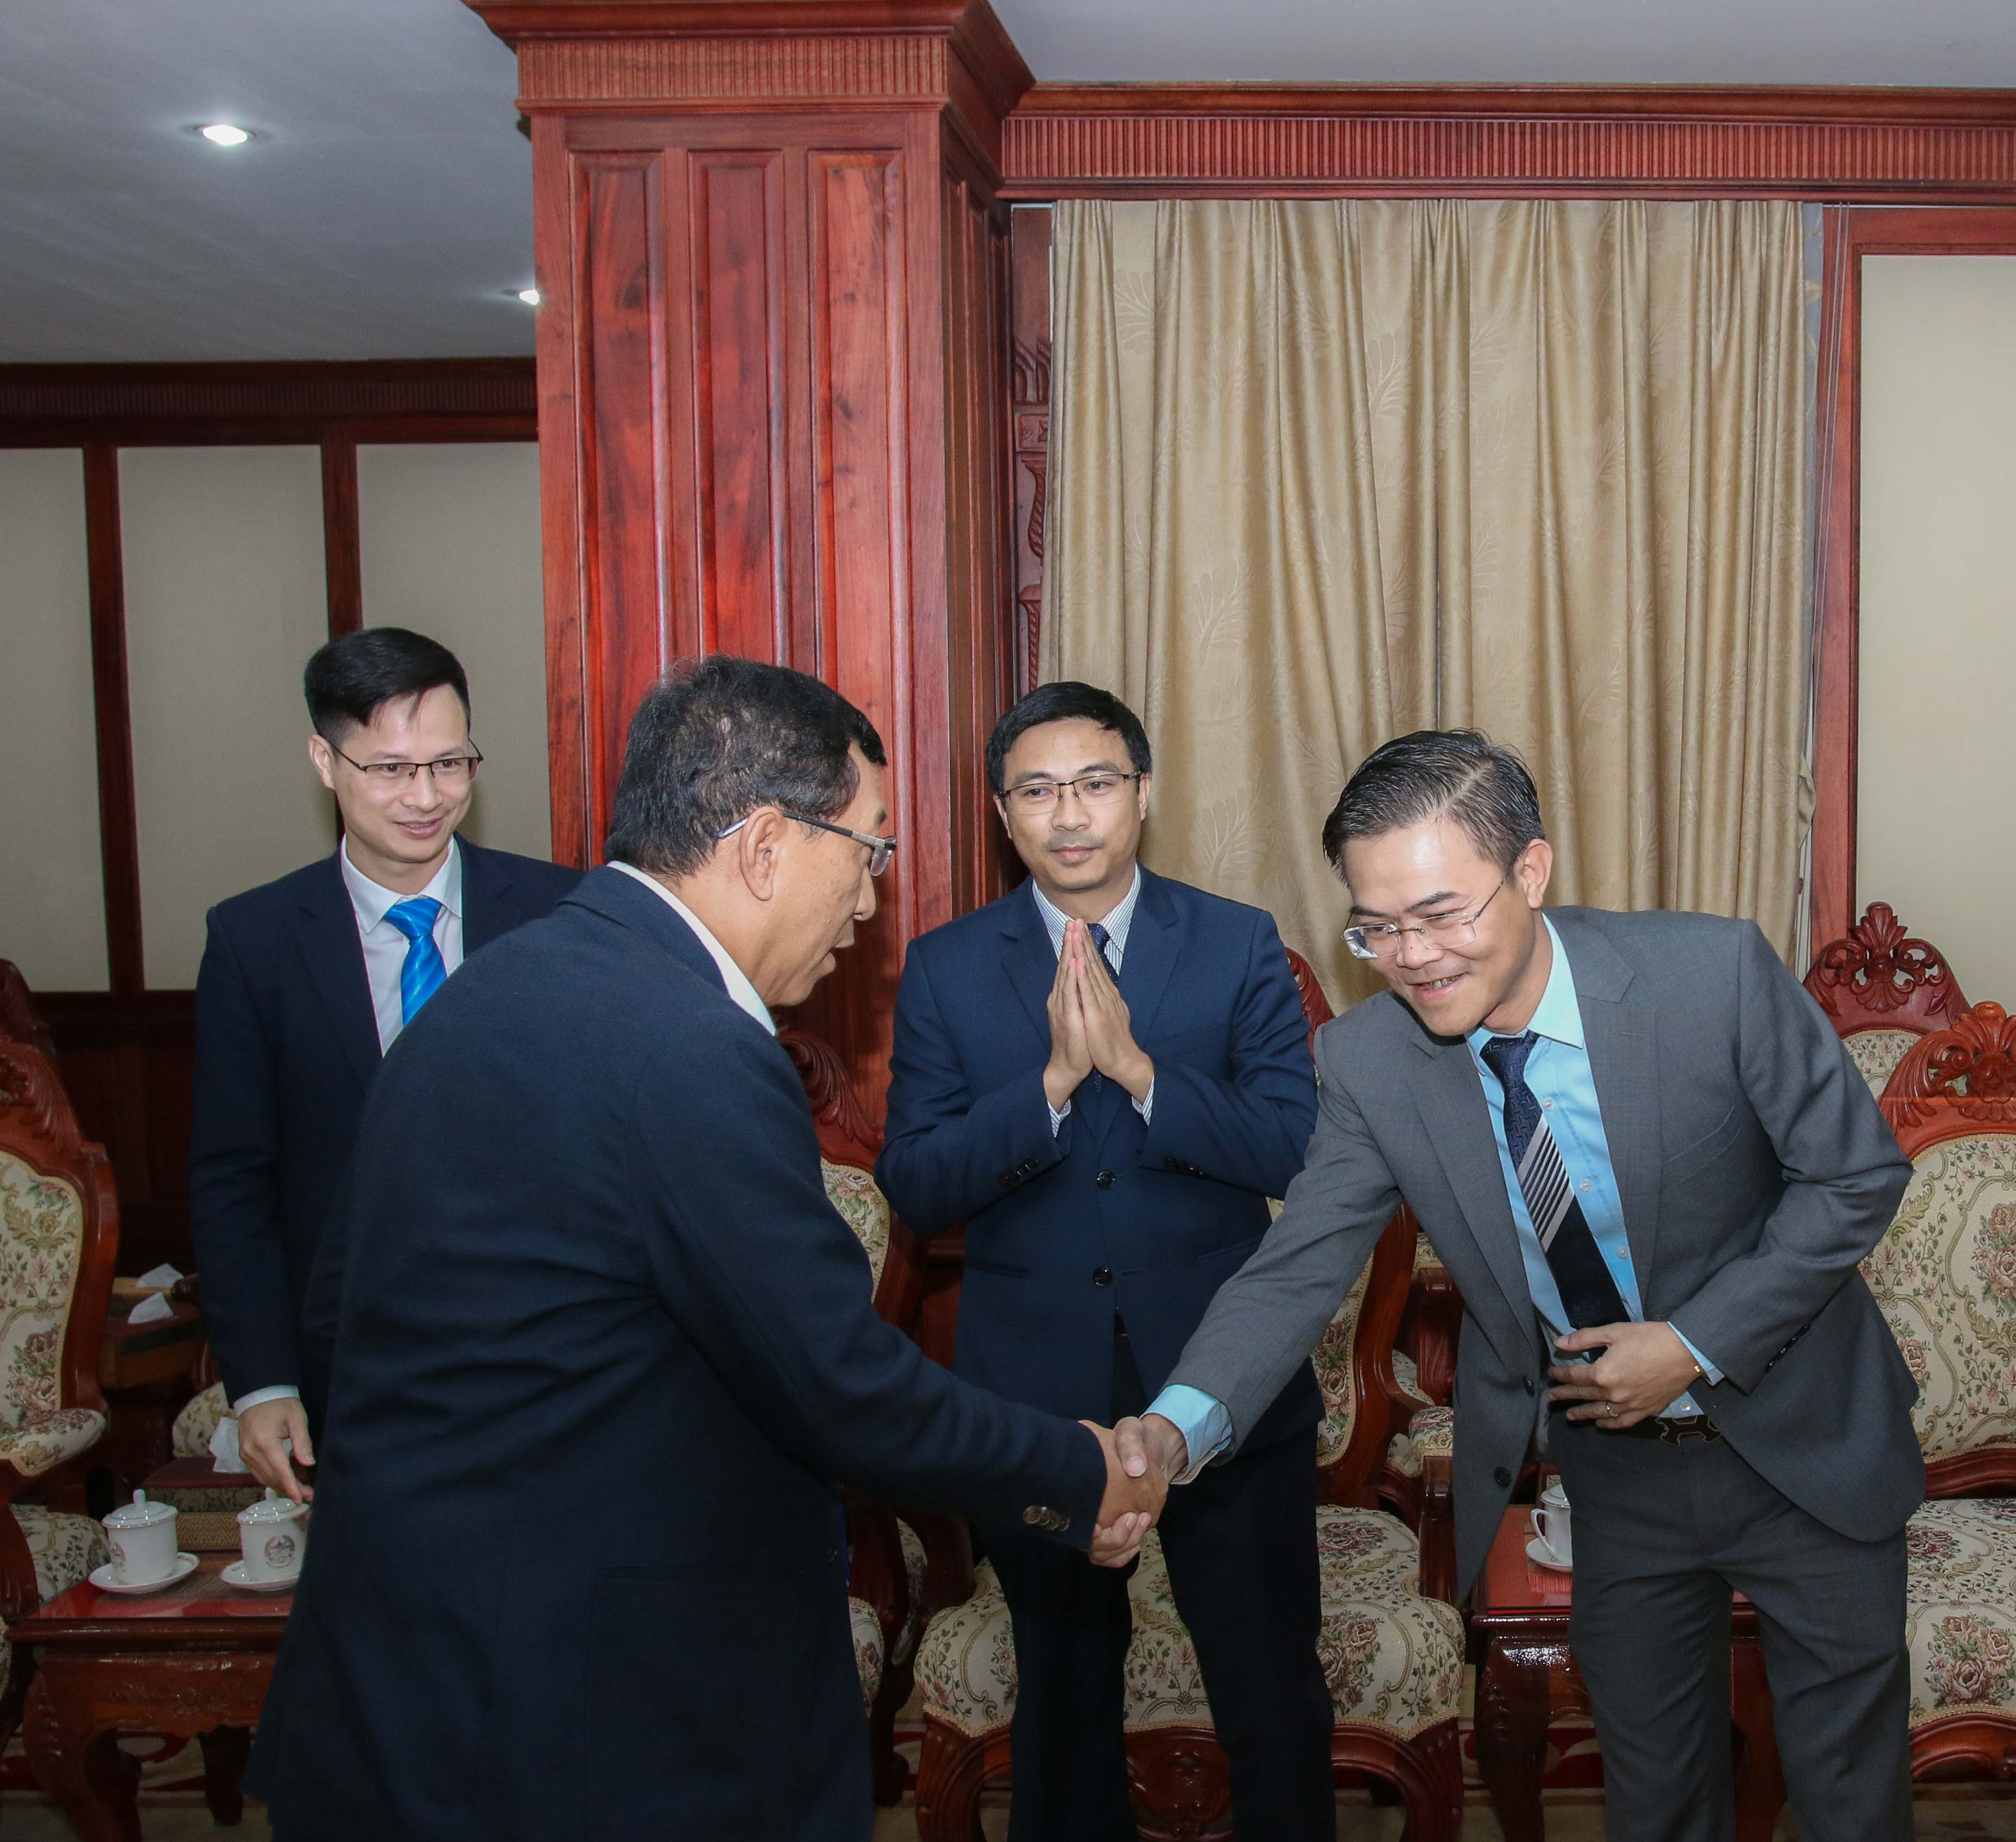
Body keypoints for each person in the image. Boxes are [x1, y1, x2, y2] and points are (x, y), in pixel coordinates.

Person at [248, 657, 1165, 1842]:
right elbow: (839, 1383)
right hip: (587, 1717)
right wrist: (1081, 1471)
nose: (871, 902)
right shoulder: (689, 1047)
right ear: (768, 844)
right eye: (870, 852)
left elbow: (337, 1314)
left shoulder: (483, 993)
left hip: (405, 1682)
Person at [1117, 730, 1923, 1842]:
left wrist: (1692, 1342)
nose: (1413, 956)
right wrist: (1173, 1427)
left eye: (1442, 913)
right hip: (1617, 1470)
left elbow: (1855, 1176)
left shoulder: (1712, 977)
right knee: (1655, 1802)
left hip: (1806, 1441)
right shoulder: (1371, 1062)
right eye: (1377, 926)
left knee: (1850, 1799)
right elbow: (1296, 1266)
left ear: (1531, 870)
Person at [877, 680, 1332, 1839]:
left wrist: (1138, 1074)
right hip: (1038, 1393)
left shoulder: (1235, 941)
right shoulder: (945, 965)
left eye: (1094, 783)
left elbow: (1296, 1144)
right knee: (1065, 1703)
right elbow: (917, 1183)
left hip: (1223, 1374)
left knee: (1270, 1687)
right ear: (1002, 811)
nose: (1069, 813)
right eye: (1037, 790)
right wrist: (1049, 1085)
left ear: (1143, 792)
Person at [187, 626, 580, 1499]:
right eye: (392, 768)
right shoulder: (255, 943)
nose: (427, 796)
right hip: (351, 1369)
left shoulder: (560, 912)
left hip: (546, 1360)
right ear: (325, 762)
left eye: (451, 764)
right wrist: (262, 1379)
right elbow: (232, 1183)